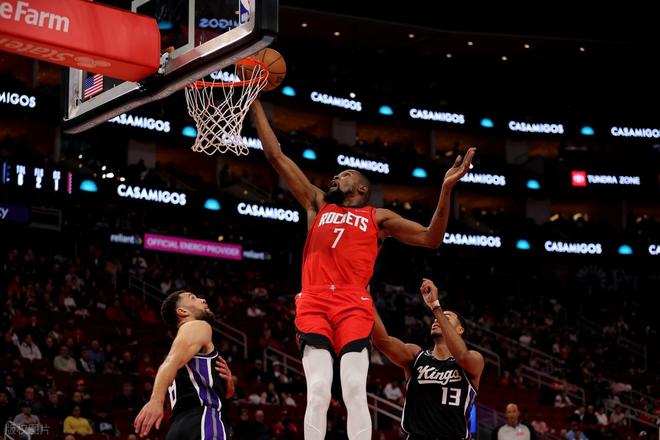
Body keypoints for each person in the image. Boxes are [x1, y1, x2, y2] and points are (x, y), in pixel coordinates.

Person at [251, 98, 476, 440]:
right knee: (319, 390)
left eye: (344, 175)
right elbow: (276, 156)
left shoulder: (377, 217)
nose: (335, 177)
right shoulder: (316, 203)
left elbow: (431, 237)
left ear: (360, 188)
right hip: (313, 301)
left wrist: (446, 190)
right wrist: (254, 102)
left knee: (354, 389)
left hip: (354, 304)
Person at [373, 278, 484, 439]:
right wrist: (366, 301)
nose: (437, 319)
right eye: (437, 318)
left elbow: (462, 355)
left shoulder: (474, 359)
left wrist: (436, 307)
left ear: (460, 330)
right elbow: (382, 342)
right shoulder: (416, 355)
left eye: (446, 318)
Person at [133, 290, 234, 439]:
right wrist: (156, 400)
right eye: (193, 298)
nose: (202, 299)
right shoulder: (199, 326)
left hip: (178, 427)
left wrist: (228, 385)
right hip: (204, 420)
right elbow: (170, 361)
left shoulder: (185, 346)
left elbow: (220, 395)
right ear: (182, 311)